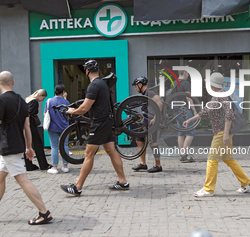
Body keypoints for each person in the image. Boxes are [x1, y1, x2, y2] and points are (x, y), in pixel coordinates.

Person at [0, 71, 52, 225]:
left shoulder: (0, 101)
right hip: (17, 145)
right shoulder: (22, 100)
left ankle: (44, 213)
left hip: (8, 146)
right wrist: (28, 147)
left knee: (23, 180)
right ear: (13, 82)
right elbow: (27, 126)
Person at [60, 59, 129, 195]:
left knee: (88, 154)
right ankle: (123, 182)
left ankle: (77, 187)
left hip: (99, 123)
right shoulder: (103, 83)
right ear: (97, 70)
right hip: (106, 122)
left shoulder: (93, 86)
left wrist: (71, 111)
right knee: (111, 150)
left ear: (86, 71)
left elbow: (85, 107)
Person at [183, 72, 250, 197]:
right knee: (228, 159)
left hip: (221, 133)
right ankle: (247, 183)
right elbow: (205, 112)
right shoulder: (216, 96)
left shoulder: (222, 96)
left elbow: (229, 115)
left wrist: (226, 134)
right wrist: (190, 120)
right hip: (222, 132)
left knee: (212, 160)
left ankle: (208, 189)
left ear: (212, 85)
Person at [131, 76, 164, 173]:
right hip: (145, 121)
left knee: (153, 142)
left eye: (136, 86)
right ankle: (143, 164)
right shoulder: (144, 94)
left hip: (152, 121)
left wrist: (155, 117)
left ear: (140, 85)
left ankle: (158, 165)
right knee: (139, 140)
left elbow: (160, 104)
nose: (135, 88)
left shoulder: (150, 92)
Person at [45, 84, 70, 174]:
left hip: (53, 127)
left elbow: (45, 115)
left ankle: (55, 168)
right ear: (63, 92)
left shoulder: (49, 101)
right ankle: (65, 166)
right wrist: (65, 98)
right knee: (65, 146)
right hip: (65, 127)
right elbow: (68, 116)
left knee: (54, 147)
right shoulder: (66, 102)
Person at [24, 89, 52, 171]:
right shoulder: (34, 102)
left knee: (27, 144)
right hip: (31, 125)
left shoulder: (27, 99)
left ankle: (29, 165)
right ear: (40, 95)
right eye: (43, 98)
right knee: (38, 145)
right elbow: (30, 113)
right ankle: (43, 165)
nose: (42, 100)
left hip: (24, 125)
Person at [176, 70, 197, 163]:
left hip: (176, 111)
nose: (188, 75)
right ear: (184, 73)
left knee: (181, 132)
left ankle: (182, 155)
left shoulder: (174, 83)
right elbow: (188, 98)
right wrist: (195, 111)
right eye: (188, 73)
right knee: (191, 131)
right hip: (185, 110)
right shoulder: (186, 83)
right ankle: (184, 154)